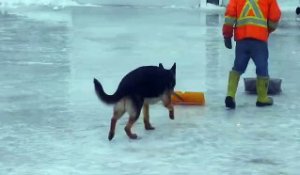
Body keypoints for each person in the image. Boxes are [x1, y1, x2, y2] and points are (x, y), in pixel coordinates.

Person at [223, 0, 281, 109]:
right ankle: (262, 98)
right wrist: (267, 30)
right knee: (262, 67)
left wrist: (227, 35)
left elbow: (229, 18)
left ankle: (230, 95)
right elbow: (274, 17)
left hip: (242, 40)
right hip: (259, 40)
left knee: (237, 67)